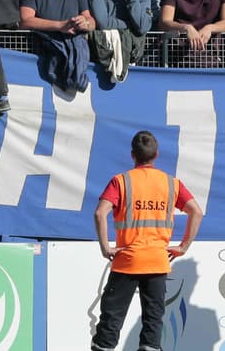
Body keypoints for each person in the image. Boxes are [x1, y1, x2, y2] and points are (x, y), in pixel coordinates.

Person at [91, 130, 204, 351]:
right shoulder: (171, 183)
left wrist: (105, 247)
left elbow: (99, 213)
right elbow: (196, 212)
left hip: (127, 261)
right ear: (156, 154)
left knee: (111, 322)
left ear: (133, 155)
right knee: (153, 324)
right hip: (157, 261)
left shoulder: (121, 182)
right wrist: (183, 246)